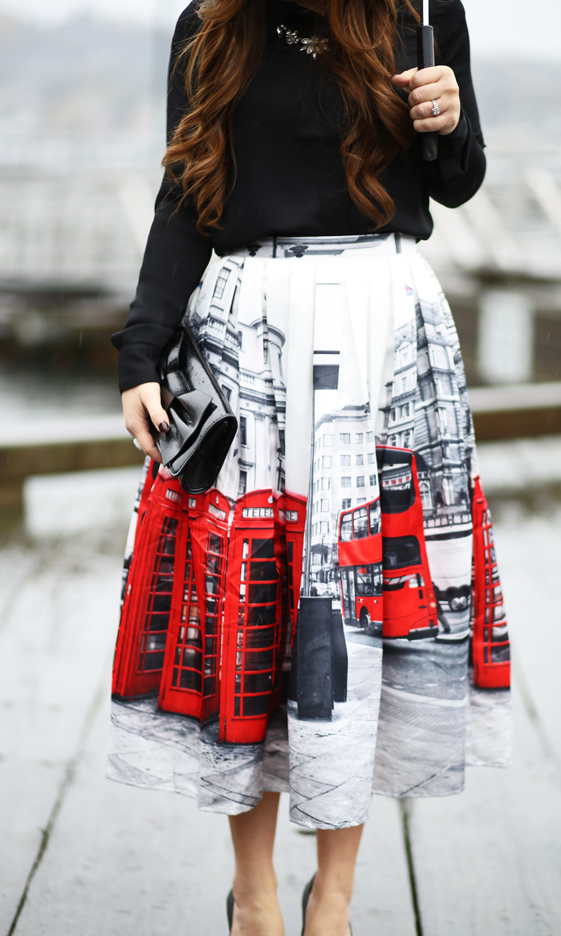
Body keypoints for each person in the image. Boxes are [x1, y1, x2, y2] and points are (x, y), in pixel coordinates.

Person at [107, 2, 512, 934]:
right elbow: (186, 194)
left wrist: (449, 123)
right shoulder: (213, 23)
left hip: (384, 331)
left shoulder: (419, 8)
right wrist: (141, 350)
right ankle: (253, 898)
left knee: (360, 612)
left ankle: (334, 897)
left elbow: (455, 184)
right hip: (250, 337)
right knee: (247, 608)